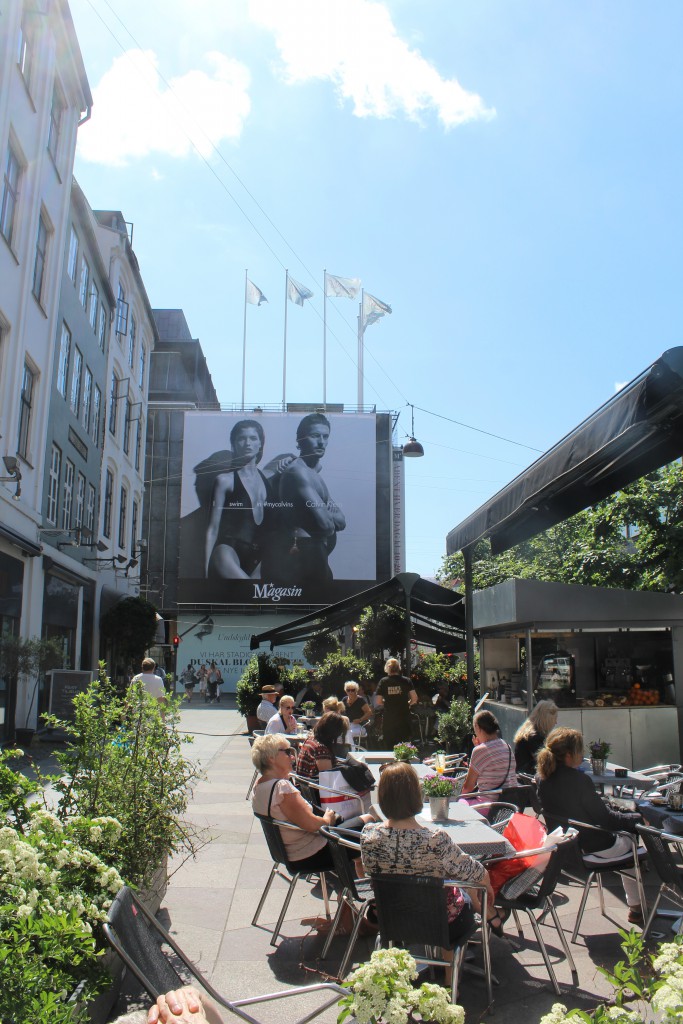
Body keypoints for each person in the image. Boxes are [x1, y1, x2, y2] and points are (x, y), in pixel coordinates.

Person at [360, 761, 501, 952]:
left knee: (454, 883)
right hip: (438, 923)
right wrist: (487, 888)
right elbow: (477, 874)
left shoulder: (369, 836)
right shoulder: (435, 841)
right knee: (462, 888)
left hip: (391, 918)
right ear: (417, 795)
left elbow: (368, 871)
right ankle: (448, 974)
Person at [536, 727, 644, 924]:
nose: (583, 755)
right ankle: (636, 906)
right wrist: (637, 819)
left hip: (565, 850)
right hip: (592, 848)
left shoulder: (543, 779)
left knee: (627, 834)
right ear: (569, 755)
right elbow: (607, 820)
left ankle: (636, 907)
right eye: (580, 751)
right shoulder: (579, 780)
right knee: (632, 840)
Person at [261, 413, 345, 585]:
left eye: (325, 436)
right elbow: (327, 526)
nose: (321, 442)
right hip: (300, 556)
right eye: (315, 436)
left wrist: (325, 512)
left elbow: (342, 521)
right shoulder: (297, 472)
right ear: (300, 440)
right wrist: (328, 512)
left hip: (314, 556)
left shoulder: (312, 474)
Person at [251, 733, 339, 872]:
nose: (292, 757)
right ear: (271, 758)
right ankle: (357, 884)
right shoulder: (281, 788)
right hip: (310, 855)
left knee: (357, 828)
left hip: (287, 854)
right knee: (365, 827)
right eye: (287, 752)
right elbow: (312, 825)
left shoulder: (258, 787)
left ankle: (352, 882)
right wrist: (328, 819)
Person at [204, 419, 269, 579]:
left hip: (259, 558)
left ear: (260, 443)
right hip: (227, 552)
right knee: (247, 593)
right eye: (241, 438)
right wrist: (204, 575)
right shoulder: (225, 480)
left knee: (256, 602)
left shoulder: (268, 480)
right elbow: (212, 529)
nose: (247, 443)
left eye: (253, 438)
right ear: (234, 444)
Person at [461, 710, 518, 802]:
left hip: (489, 805)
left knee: (460, 803)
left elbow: (467, 788)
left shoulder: (479, 751)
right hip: (509, 804)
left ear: (478, 728)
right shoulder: (507, 746)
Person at [374, 657, 417, 748]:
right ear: (398, 668)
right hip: (404, 717)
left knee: (390, 746)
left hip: (389, 719)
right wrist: (407, 703)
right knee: (405, 746)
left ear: (387, 668)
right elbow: (414, 699)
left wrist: (387, 702)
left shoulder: (383, 681)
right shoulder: (406, 681)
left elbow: (378, 701)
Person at [295, 711, 347, 785]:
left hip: (304, 786)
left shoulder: (310, 740)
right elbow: (328, 780)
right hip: (314, 791)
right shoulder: (321, 749)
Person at [513, 700, 559, 774]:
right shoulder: (535, 737)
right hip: (529, 778)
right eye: (555, 718)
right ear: (547, 719)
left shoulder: (528, 731)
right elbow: (545, 762)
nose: (556, 722)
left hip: (522, 774)